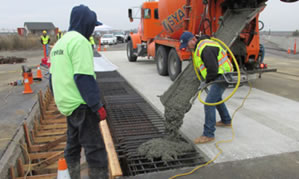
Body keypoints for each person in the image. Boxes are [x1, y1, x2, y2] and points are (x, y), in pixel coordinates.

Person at [49, 5, 107, 179]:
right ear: (86, 23)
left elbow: (52, 79)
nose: (92, 30)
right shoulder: (80, 42)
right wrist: (97, 106)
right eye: (92, 26)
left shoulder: (60, 43)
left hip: (67, 105)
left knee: (72, 147)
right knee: (95, 150)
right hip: (81, 105)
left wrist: (60, 99)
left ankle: (70, 175)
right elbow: (83, 77)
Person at [179, 31, 233, 144]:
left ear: (193, 40)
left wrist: (206, 81)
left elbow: (212, 69)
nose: (187, 49)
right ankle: (226, 120)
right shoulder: (201, 46)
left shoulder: (205, 47)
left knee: (209, 102)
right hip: (221, 74)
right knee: (216, 98)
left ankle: (208, 134)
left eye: (187, 45)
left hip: (222, 76)